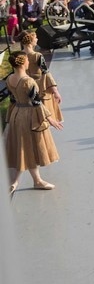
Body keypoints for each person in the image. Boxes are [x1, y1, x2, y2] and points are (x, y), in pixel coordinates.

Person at [5, 51, 63, 195]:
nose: (28, 62)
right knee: (29, 148)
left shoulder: (10, 78)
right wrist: (50, 118)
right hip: (29, 116)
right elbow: (36, 103)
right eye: (26, 60)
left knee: (22, 148)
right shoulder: (28, 81)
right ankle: (36, 181)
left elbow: (13, 99)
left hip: (16, 114)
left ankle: (16, 181)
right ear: (22, 62)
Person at [18, 31, 64, 124]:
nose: (37, 39)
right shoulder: (37, 56)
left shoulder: (18, 55)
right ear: (31, 40)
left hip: (24, 86)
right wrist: (55, 91)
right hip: (39, 86)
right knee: (43, 113)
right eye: (35, 37)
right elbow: (46, 73)